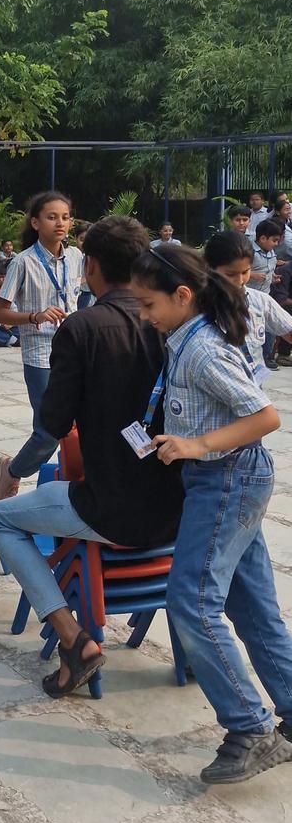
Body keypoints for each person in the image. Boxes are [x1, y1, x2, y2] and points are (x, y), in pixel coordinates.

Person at [0, 218, 185, 697]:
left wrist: (12, 471)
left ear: (89, 265)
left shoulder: (84, 327)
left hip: (109, 507)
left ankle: (75, 641)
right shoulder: (176, 324)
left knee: (1, 520)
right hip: (178, 508)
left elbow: (49, 431)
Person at [129, 243, 292, 784]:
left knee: (192, 602)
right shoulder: (184, 338)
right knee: (251, 607)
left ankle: (250, 727)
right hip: (225, 479)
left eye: (148, 306)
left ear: (182, 296)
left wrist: (197, 445)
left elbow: (264, 416)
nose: (144, 316)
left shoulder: (203, 350)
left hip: (228, 480)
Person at [0, 191, 85, 500]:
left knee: (73, 427)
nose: (60, 223)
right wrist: (35, 315)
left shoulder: (76, 258)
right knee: (49, 430)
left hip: (75, 352)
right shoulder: (23, 262)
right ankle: (13, 470)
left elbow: (84, 294)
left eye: (65, 217)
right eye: (52, 217)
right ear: (35, 222)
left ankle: (61, 486)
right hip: (40, 355)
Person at [203, 231, 292, 382]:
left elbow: (288, 330)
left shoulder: (260, 301)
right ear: (209, 268)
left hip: (253, 388)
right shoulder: (195, 305)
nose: (239, 280)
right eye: (230, 274)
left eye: (245, 272)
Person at [249, 218, 282, 293]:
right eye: (274, 240)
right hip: (249, 295)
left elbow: (267, 269)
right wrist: (251, 275)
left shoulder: (271, 252)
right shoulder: (249, 252)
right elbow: (236, 272)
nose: (276, 244)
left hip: (265, 295)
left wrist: (271, 276)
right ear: (263, 238)